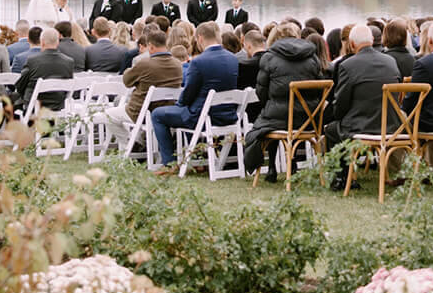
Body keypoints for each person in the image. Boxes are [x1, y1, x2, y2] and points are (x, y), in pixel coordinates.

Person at [151, 22, 238, 170]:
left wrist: (179, 104)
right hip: (227, 115)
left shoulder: (198, 62)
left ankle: (169, 163)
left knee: (157, 114)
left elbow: (188, 94)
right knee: (186, 111)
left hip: (201, 117)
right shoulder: (232, 59)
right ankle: (198, 158)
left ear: (200, 38)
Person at [324, 24, 401, 187]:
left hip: (362, 127)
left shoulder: (348, 65)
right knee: (340, 126)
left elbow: (341, 104)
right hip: (391, 126)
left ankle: (342, 178)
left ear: (351, 44)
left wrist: (338, 115)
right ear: (372, 41)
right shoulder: (391, 61)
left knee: (332, 129)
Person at [242, 31, 324, 181]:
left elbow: (261, 91)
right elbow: (319, 89)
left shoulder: (269, 58)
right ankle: (291, 163)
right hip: (309, 119)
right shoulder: (312, 58)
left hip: (279, 118)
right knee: (280, 117)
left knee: (269, 120)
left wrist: (271, 103)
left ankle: (272, 167)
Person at [104, 25, 183, 150]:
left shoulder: (145, 63)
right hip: (167, 110)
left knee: (109, 116)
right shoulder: (177, 64)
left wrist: (132, 73)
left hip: (139, 111)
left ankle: (130, 143)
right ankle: (137, 142)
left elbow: (126, 81)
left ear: (150, 46)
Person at [13, 26, 75, 115]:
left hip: (34, 108)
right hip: (58, 107)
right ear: (57, 42)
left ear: (42, 42)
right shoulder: (69, 62)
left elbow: (20, 85)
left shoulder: (32, 61)